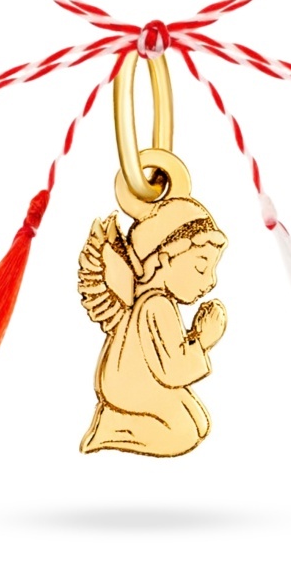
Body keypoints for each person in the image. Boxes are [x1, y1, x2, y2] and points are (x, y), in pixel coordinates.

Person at [78, 196, 227, 457]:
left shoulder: (155, 302)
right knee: (185, 433)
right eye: (201, 266)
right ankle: (112, 427)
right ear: (165, 259)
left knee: (200, 423)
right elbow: (173, 369)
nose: (211, 281)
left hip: (148, 385)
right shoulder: (156, 305)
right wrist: (203, 340)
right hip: (129, 393)